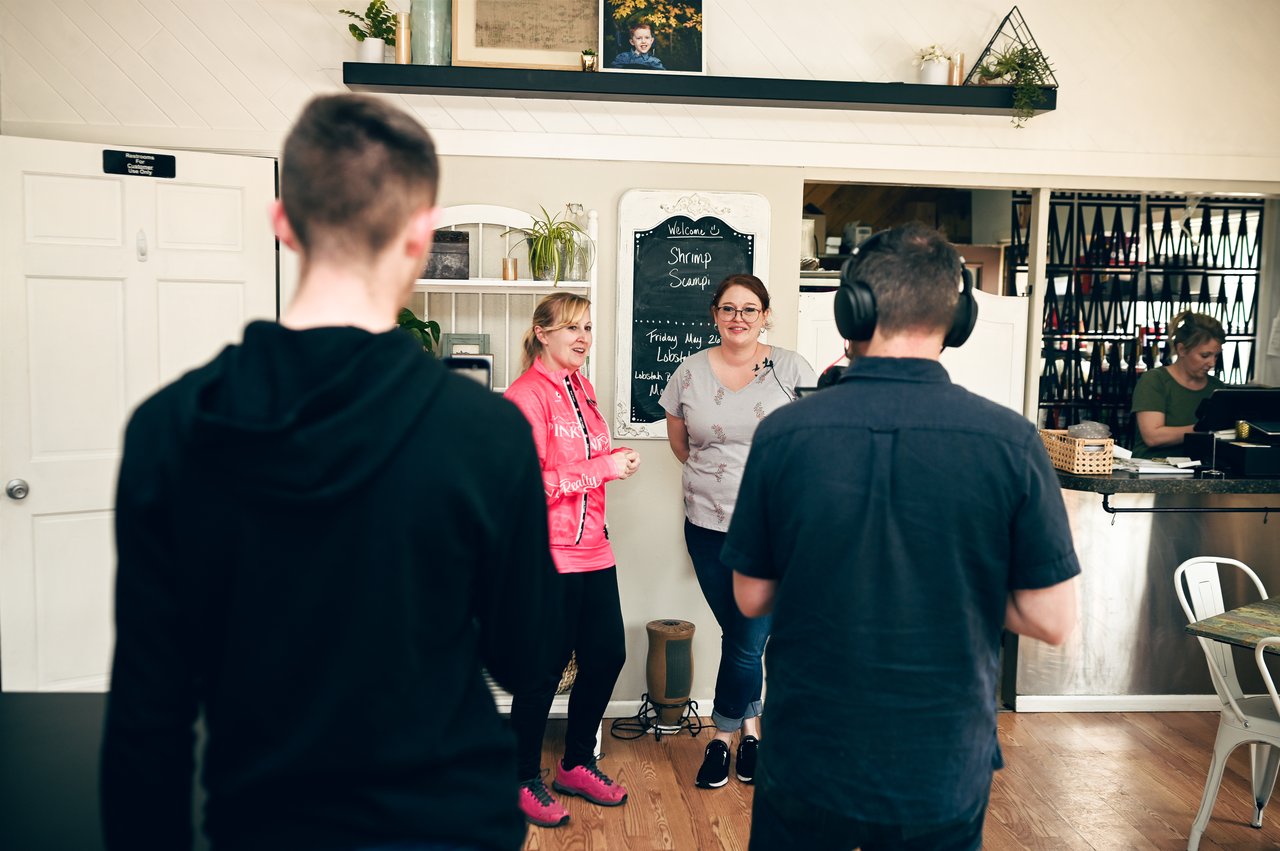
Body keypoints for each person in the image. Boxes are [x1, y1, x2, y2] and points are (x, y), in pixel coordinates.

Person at [100, 93, 559, 851]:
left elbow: (148, 717)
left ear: (283, 222)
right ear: (421, 235)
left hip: (265, 826)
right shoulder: (485, 432)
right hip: (450, 824)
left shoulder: (169, 429)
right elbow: (528, 653)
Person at [725, 223, 1080, 851]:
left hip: (811, 753)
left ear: (851, 311)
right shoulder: (1010, 441)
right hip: (941, 760)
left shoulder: (785, 434)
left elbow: (751, 598)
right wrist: (952, 577)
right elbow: (1051, 618)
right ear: (960, 319)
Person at [658, 273, 814, 789]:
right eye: (729, 309)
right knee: (739, 636)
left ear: (765, 314)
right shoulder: (688, 371)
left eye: (750, 309)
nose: (739, 318)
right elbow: (682, 443)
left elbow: (814, 440)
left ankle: (720, 740)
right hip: (705, 526)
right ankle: (752, 731)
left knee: (747, 642)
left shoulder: (791, 368)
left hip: (773, 530)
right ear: (715, 315)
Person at [503, 292, 641, 828]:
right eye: (570, 328)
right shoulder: (524, 397)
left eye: (587, 326)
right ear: (542, 332)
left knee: (606, 657)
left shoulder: (581, 387)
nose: (583, 337)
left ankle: (576, 763)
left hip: (593, 550)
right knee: (540, 674)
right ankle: (520, 779)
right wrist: (602, 467)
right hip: (547, 557)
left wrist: (605, 464)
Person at [1130, 311, 1227, 458]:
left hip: (1201, 473)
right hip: (1153, 473)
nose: (1212, 363)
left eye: (1216, 356)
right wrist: (1204, 430)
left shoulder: (1216, 388)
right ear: (1182, 350)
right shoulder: (1155, 380)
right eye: (1205, 356)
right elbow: (1153, 437)